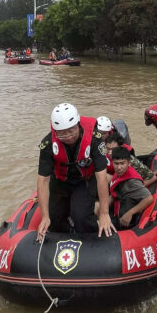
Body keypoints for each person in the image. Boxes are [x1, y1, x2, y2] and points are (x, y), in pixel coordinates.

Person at [36, 103, 114, 242]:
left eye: (71, 130)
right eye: (62, 132)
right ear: (55, 130)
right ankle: (65, 236)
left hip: (84, 180)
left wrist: (104, 213)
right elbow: (43, 180)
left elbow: (101, 176)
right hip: (60, 181)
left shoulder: (94, 139)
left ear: (78, 124)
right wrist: (44, 216)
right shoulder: (48, 144)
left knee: (81, 216)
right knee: (54, 218)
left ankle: (93, 238)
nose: (68, 136)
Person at [109, 147, 154, 230]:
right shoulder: (119, 173)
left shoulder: (132, 182)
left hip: (125, 222)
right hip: (117, 212)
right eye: (116, 163)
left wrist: (130, 213)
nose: (119, 167)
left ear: (129, 163)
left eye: (122, 163)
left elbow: (149, 198)